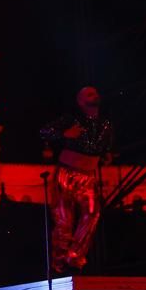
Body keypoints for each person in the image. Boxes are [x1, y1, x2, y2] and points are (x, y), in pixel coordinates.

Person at [39, 86, 114, 273]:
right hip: (66, 173)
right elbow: (45, 131)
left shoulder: (106, 125)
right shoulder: (72, 120)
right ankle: (58, 262)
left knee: (92, 213)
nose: (94, 95)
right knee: (64, 220)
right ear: (80, 101)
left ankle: (75, 255)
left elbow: (106, 148)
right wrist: (64, 134)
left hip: (88, 176)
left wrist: (106, 156)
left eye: (95, 92)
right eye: (89, 94)